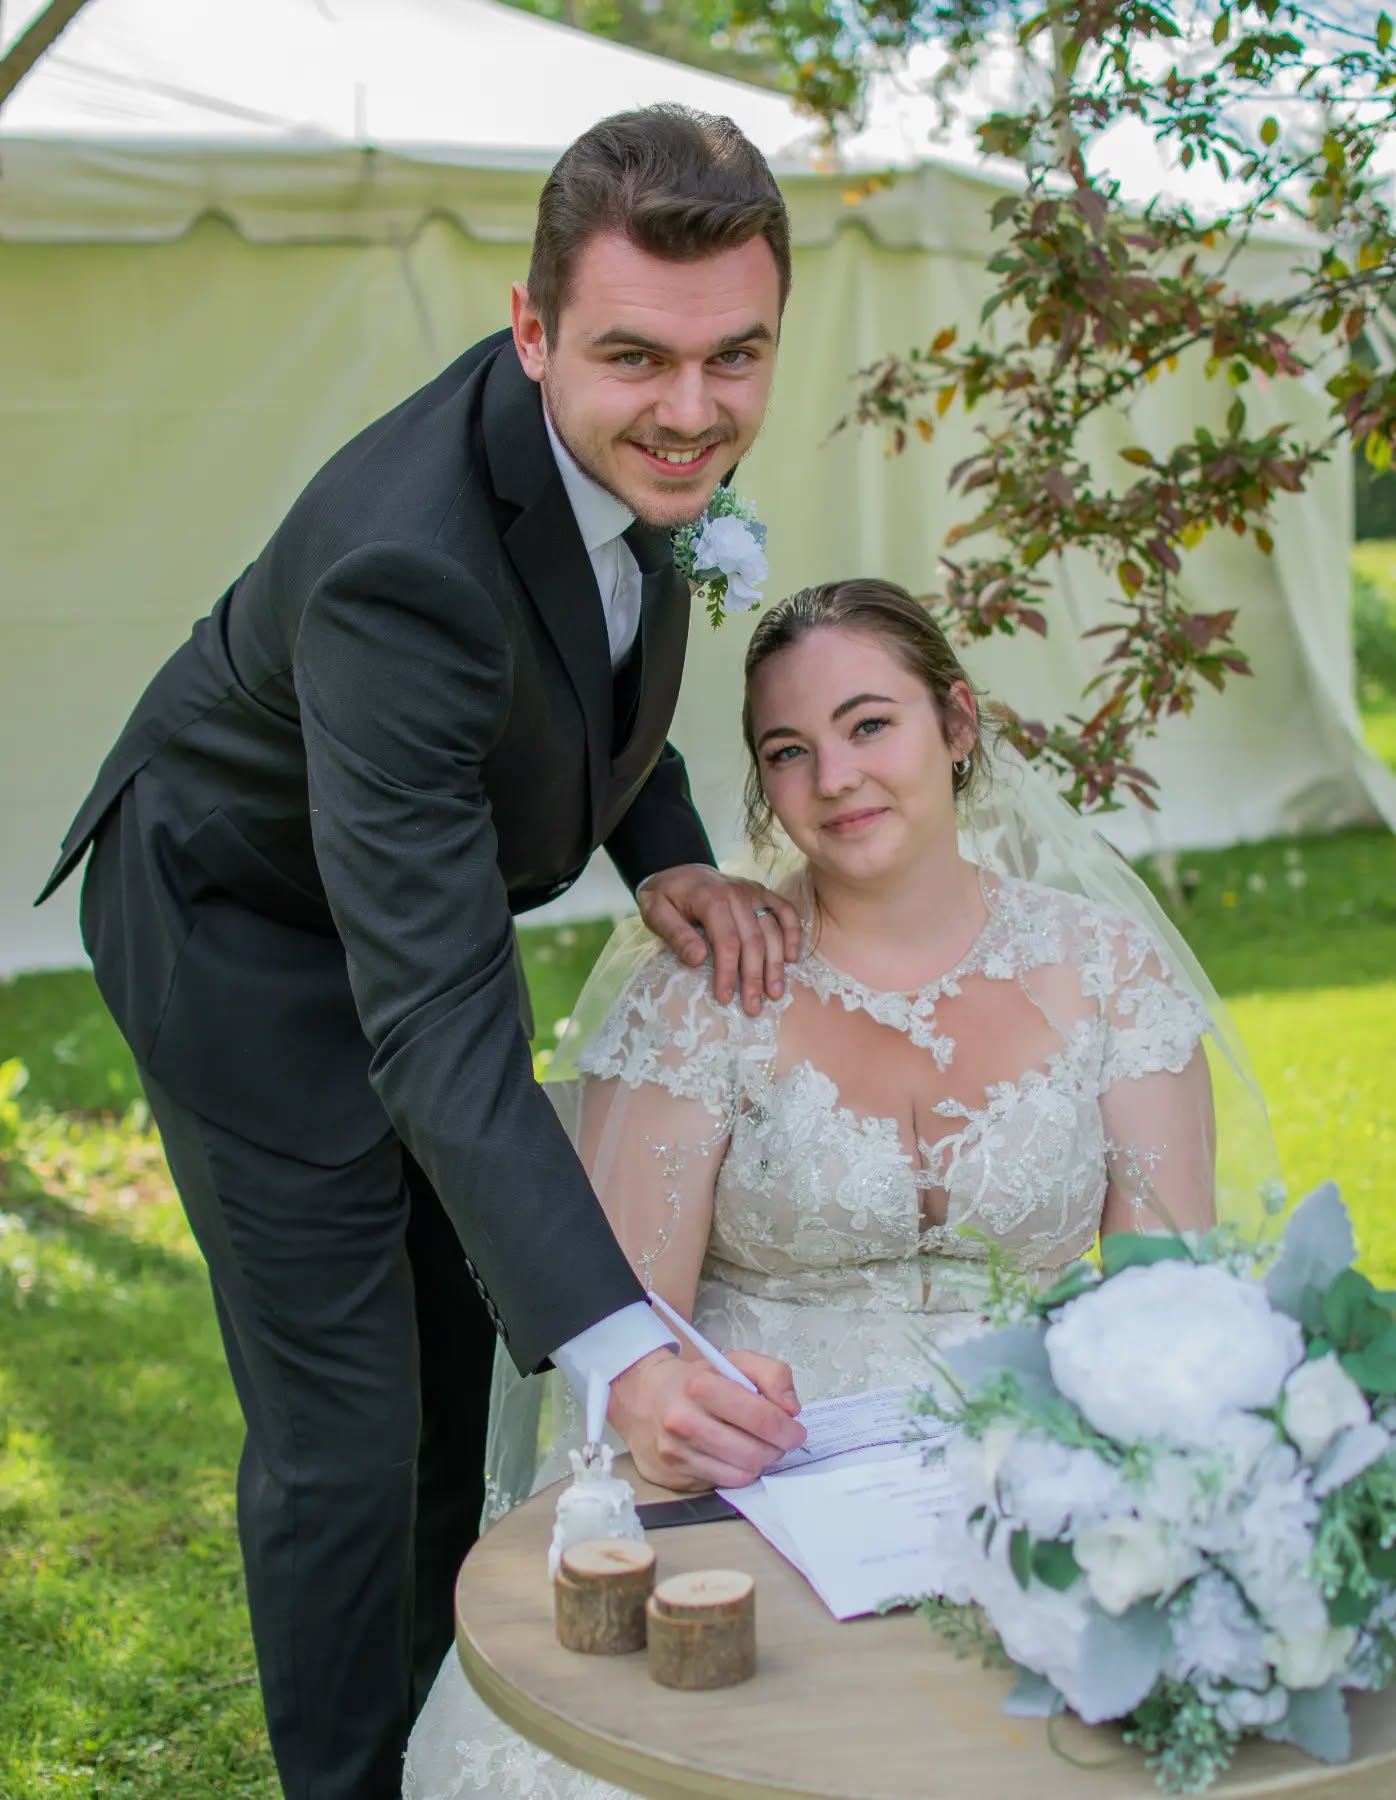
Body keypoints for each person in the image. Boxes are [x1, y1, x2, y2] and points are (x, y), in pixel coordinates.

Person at [33, 107, 813, 1800]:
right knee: (344, 1438)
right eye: (636, 358)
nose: (692, 412)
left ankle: (428, 1734)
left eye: (734, 357)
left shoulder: (624, 453)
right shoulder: (406, 567)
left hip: (401, 902)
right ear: (532, 330)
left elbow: (583, 675)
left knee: (452, 1369)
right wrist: (623, 1353)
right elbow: (443, 1017)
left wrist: (662, 855)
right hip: (241, 939)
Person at [403, 576, 1279, 1799]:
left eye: (872, 725)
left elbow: (1165, 1297)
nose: (837, 777)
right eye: (790, 751)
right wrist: (686, 1428)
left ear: (957, 727)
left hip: (1038, 1474)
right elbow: (627, 1331)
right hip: (746, 1490)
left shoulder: (1106, 975)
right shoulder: (702, 993)